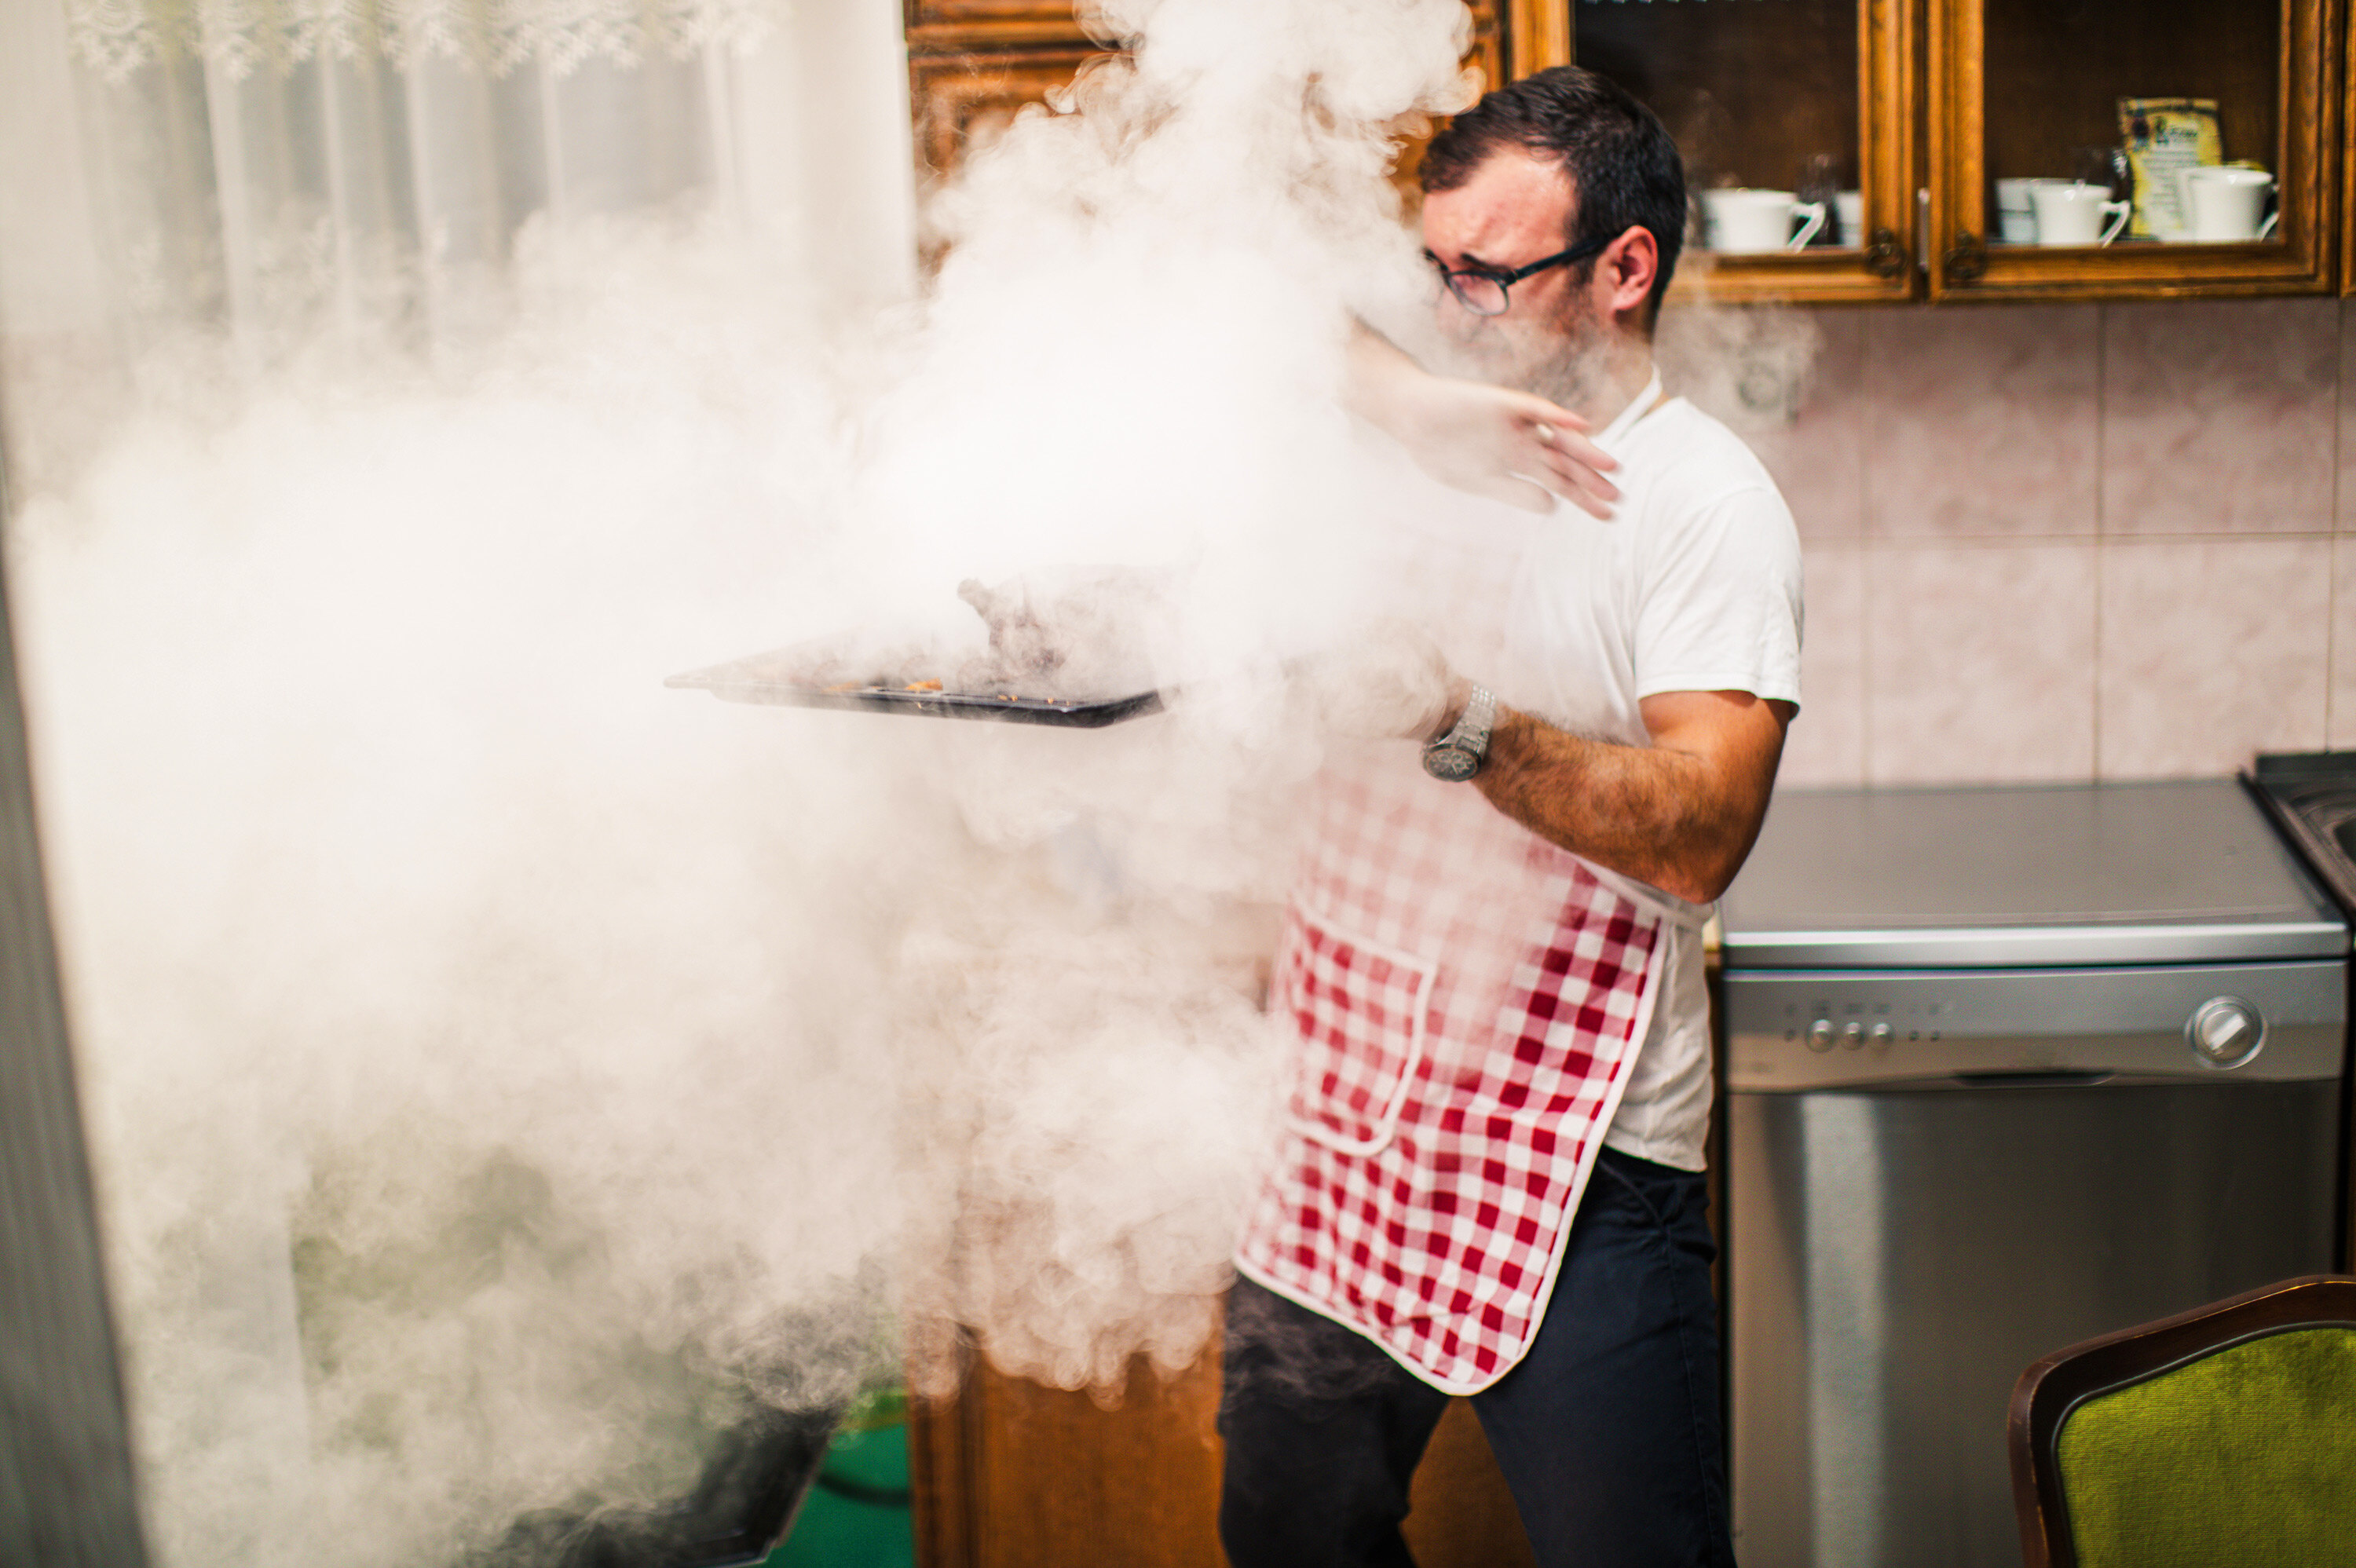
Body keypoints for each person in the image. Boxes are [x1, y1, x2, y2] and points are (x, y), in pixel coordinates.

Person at [1218, 66, 1803, 1568]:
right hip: (1343, 1111)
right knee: (1292, 1541)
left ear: (1625, 268)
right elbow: (1230, 286)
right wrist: (1413, 399)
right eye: (1435, 268)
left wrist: (1450, 712)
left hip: (1582, 1153)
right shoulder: (1412, 405)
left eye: (1486, 274)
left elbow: (1701, 828)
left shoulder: (1703, 504)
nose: (1447, 301)